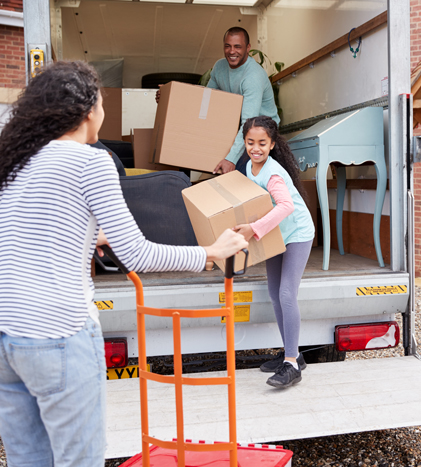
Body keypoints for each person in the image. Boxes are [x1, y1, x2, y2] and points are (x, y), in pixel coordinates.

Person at [0, 61, 248, 466]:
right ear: (86, 111)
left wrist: (86, 238)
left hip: (7, 337)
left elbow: (30, 233)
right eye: (100, 103)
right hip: (59, 336)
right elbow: (138, 253)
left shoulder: (13, 160)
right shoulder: (90, 161)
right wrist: (210, 253)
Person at [233, 116, 315, 389]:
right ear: (244, 142)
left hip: (297, 234)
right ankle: (292, 352)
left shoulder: (273, 172)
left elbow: (286, 206)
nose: (255, 148)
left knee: (286, 293)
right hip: (276, 233)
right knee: (273, 292)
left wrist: (253, 229)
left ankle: (292, 363)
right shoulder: (249, 168)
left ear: (272, 144)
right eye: (250, 142)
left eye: (262, 143)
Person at [155, 27, 279, 175]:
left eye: (237, 46)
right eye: (228, 46)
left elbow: (249, 124)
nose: (232, 51)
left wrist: (231, 159)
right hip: (236, 129)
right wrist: (170, 98)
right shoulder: (219, 67)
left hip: (262, 133)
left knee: (237, 171)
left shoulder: (252, 77)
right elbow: (206, 98)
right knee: (187, 152)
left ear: (248, 48)